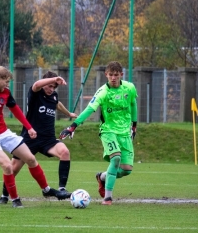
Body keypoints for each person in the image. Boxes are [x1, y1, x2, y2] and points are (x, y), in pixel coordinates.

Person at [0, 66, 70, 208]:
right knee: (8, 166)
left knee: (31, 159)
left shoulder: (5, 93)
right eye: (6, 82)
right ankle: (14, 199)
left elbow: (16, 110)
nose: (8, 85)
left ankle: (47, 190)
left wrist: (29, 127)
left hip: (3, 132)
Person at [59, 61, 138, 205]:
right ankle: (108, 198)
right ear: (106, 75)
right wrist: (73, 126)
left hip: (124, 132)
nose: (113, 78)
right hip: (108, 130)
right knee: (116, 158)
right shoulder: (103, 92)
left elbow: (133, 104)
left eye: (116, 75)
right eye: (110, 75)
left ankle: (102, 177)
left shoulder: (129, 88)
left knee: (127, 170)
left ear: (121, 75)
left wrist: (134, 126)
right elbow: (89, 109)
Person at [0, 71, 77, 204]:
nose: (51, 89)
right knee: (13, 168)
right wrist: (54, 79)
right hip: (30, 139)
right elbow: (36, 84)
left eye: (54, 87)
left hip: (48, 139)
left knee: (65, 152)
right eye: (49, 86)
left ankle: (62, 189)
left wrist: (69, 113)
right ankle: (4, 195)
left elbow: (57, 103)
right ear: (45, 82)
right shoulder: (35, 92)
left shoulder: (54, 96)